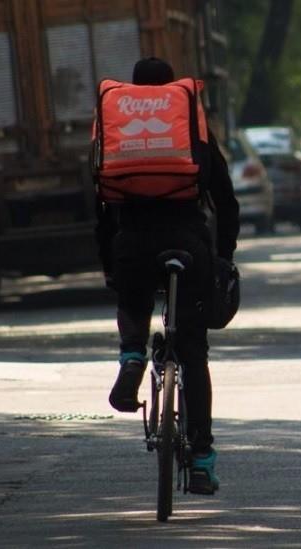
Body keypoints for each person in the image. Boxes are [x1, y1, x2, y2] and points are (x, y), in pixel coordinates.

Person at [94, 57, 240, 495]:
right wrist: (223, 257)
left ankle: (132, 356)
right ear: (173, 92)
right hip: (188, 245)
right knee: (193, 353)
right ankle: (201, 459)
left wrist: (110, 266)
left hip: (133, 243)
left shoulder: (115, 127)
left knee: (134, 298)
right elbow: (226, 201)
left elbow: (101, 209)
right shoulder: (192, 130)